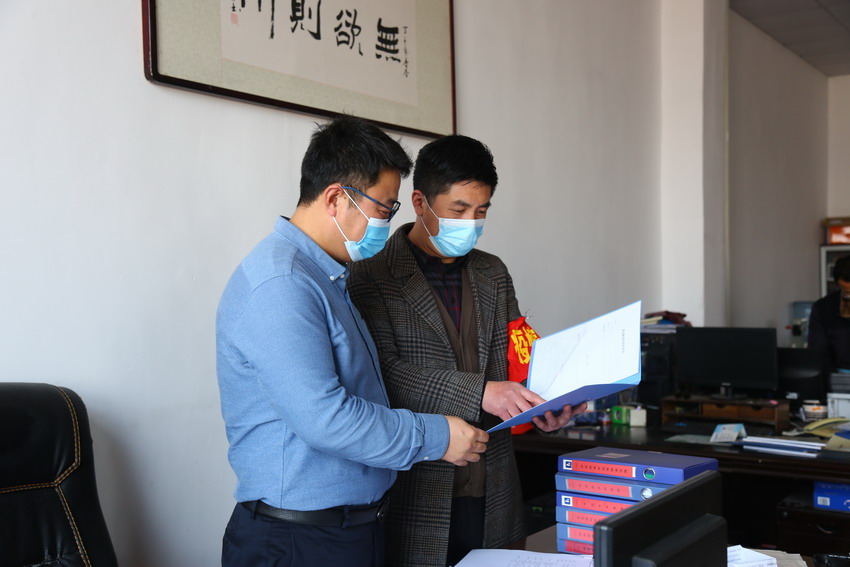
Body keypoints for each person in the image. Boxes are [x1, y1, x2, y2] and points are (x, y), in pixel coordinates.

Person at [215, 116, 490, 567]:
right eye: (384, 209)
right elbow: (327, 419)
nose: (387, 222)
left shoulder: (325, 276)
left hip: (348, 529)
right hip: (300, 540)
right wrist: (436, 435)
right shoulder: (283, 285)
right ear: (336, 199)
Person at [348, 134, 585, 567]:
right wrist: (481, 393)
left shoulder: (493, 272)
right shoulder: (371, 274)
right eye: (458, 210)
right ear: (419, 202)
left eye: (481, 211)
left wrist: (546, 404)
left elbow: (517, 359)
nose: (471, 223)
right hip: (416, 490)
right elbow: (382, 375)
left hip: (495, 490)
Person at [809, 254, 850, 375]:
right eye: (847, 291)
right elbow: (818, 350)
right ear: (839, 284)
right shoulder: (823, 308)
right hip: (840, 374)